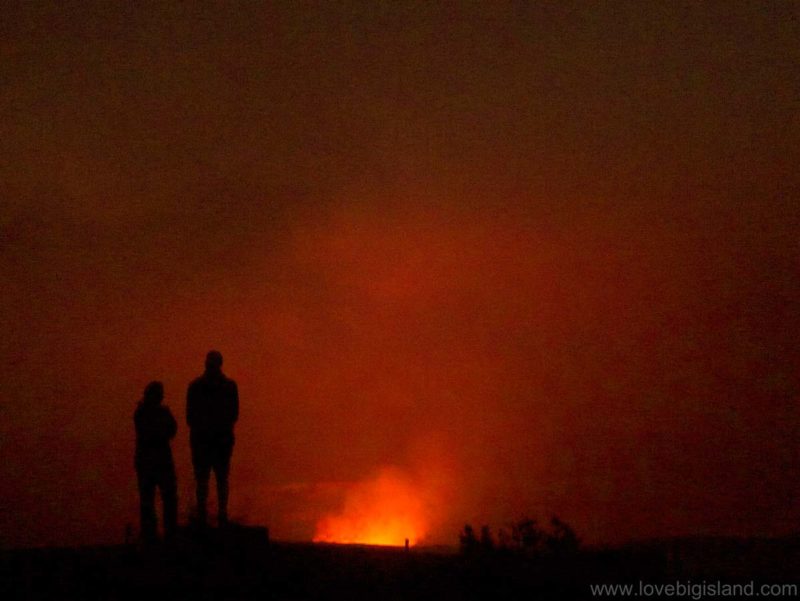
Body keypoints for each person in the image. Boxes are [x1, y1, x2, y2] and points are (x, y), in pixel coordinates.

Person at [186, 350, 239, 526]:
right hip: (215, 440)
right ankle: (215, 514)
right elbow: (233, 414)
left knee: (210, 479)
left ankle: (210, 514)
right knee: (214, 479)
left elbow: (191, 416)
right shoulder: (227, 386)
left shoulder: (197, 387)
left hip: (209, 440)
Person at [134, 381, 178, 542]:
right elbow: (167, 431)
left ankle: (164, 533)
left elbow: (172, 429)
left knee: (161, 498)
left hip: (153, 461)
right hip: (154, 461)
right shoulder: (144, 413)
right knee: (151, 500)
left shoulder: (145, 412)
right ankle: (153, 534)